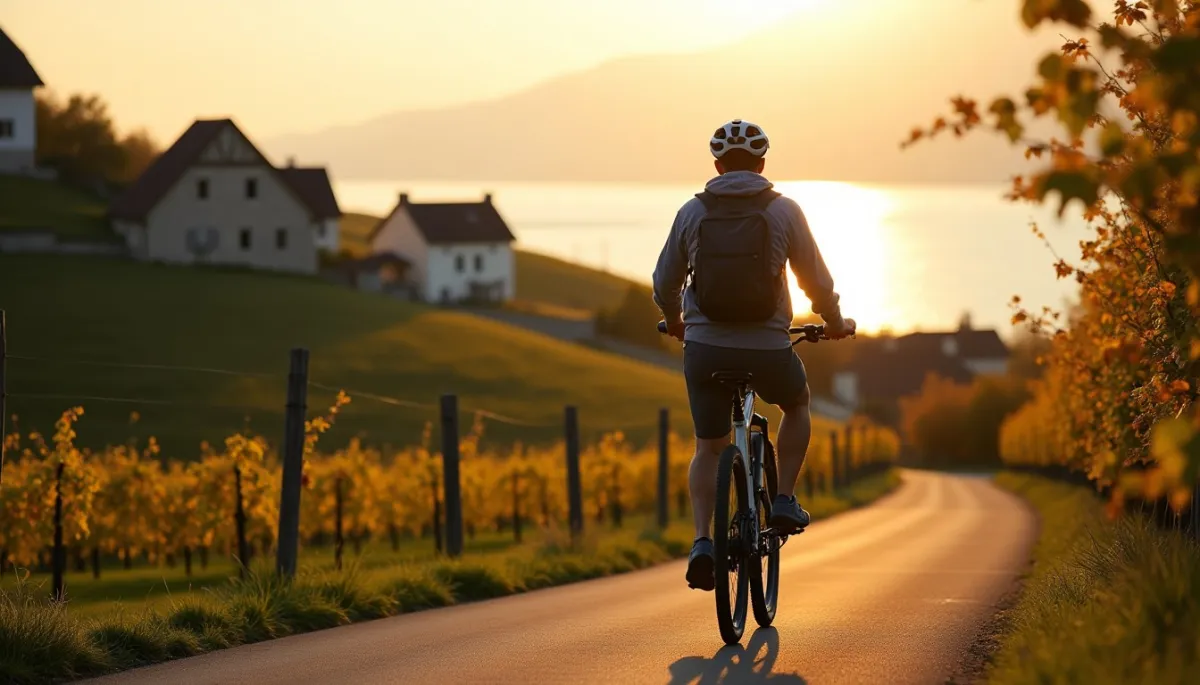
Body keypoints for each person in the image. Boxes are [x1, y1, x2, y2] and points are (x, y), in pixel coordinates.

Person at [651, 119, 855, 591]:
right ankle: (783, 499)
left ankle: (703, 541)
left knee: (708, 447)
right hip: (768, 347)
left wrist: (676, 320)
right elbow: (817, 282)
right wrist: (835, 321)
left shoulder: (691, 212)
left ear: (717, 166)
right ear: (763, 165)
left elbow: (665, 283)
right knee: (797, 404)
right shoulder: (784, 210)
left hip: (703, 349)